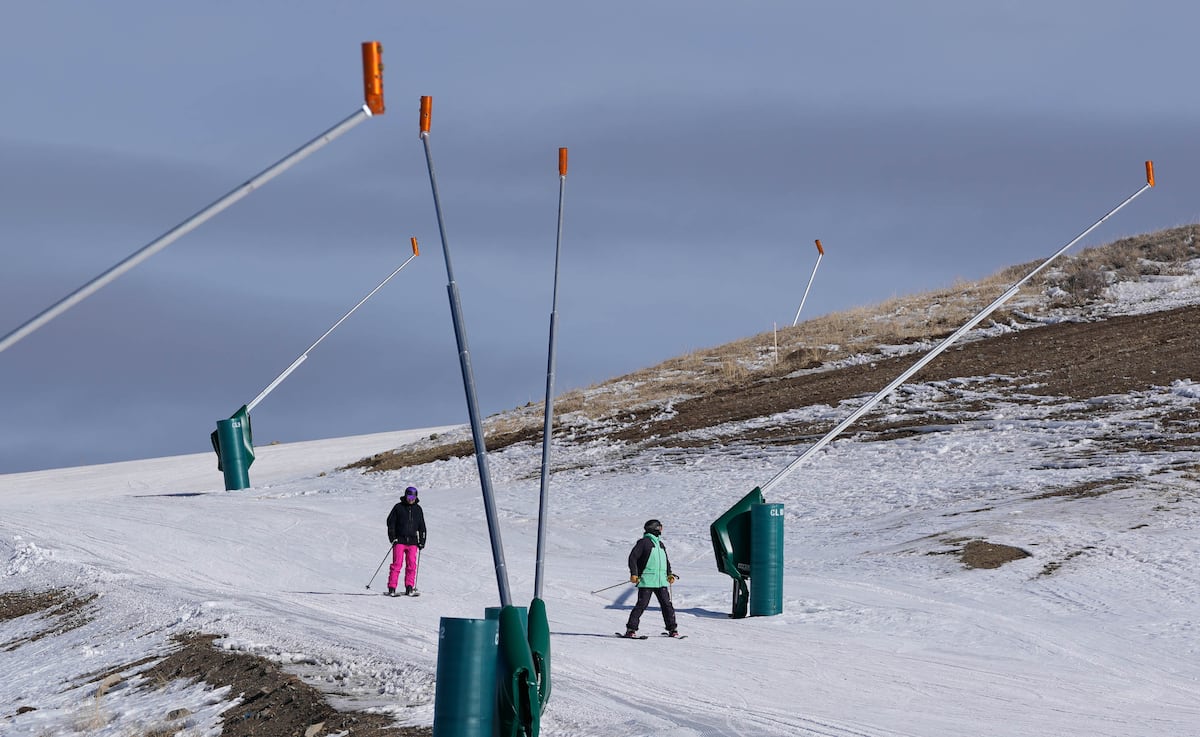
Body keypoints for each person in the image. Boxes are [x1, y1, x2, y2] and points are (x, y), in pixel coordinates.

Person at [622, 518, 680, 637]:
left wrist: (669, 574)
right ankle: (631, 629)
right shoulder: (644, 542)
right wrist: (634, 573)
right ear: (655, 528)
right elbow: (633, 558)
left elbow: (666, 561)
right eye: (660, 527)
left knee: (667, 605)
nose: (661, 529)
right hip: (647, 580)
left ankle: (672, 629)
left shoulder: (660, 544)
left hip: (661, 580)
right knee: (642, 605)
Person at [386, 486, 427, 596]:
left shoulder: (418, 509)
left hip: (413, 542)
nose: (411, 498)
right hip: (399, 540)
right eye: (409, 495)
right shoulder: (398, 507)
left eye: (413, 496)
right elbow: (390, 523)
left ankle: (409, 587)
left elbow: (422, 526)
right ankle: (392, 588)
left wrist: (422, 540)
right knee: (397, 564)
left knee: (412, 565)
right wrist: (392, 537)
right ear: (405, 495)